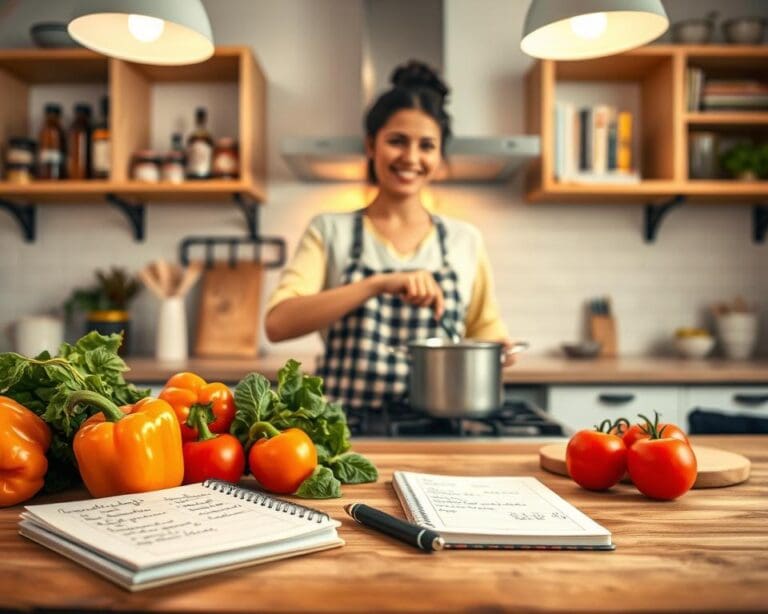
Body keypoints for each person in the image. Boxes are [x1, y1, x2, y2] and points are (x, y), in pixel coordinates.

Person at [265, 60, 515, 412]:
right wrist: (378, 284)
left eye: (426, 145)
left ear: (439, 153)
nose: (411, 157)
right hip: (344, 431)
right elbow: (277, 324)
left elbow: (484, 327)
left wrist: (498, 348)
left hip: (442, 426)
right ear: (371, 145)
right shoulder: (329, 231)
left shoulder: (465, 239)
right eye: (397, 141)